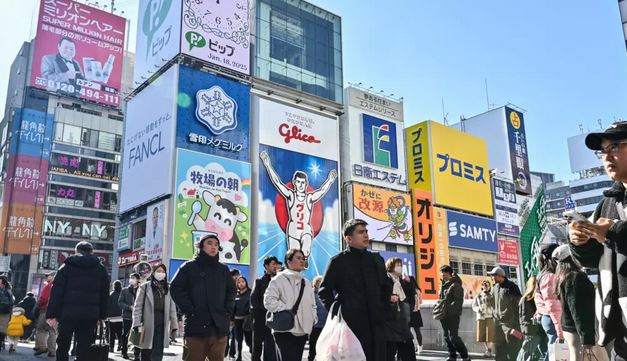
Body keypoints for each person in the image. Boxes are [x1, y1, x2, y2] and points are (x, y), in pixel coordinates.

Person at [568, 122, 627, 360]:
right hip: (621, 324)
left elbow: (612, 235)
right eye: (602, 151)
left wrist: (613, 231)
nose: (606, 157)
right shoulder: (608, 203)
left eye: (614, 146)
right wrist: (579, 241)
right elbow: (593, 258)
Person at [319, 219, 392, 361]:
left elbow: (386, 287)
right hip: (351, 325)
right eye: (361, 232)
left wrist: (384, 309)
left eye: (366, 231)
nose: (366, 235)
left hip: (377, 323)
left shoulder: (376, 259)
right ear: (348, 238)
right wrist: (339, 313)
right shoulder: (338, 261)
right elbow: (324, 291)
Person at [259, 151, 337, 262]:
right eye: (298, 182)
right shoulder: (291, 195)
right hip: (293, 229)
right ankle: (298, 264)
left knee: (305, 250)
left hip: (305, 228)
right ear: (294, 183)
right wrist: (267, 165)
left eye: (303, 183)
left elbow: (321, 191)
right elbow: (277, 182)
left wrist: (330, 180)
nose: (300, 185)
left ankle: (305, 259)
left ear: (306, 184)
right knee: (293, 256)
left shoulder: (309, 197)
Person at [170, 234, 236, 361]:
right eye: (209, 243)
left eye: (216, 244)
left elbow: (232, 290)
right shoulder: (189, 267)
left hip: (219, 327)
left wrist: (228, 309)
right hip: (196, 326)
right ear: (201, 246)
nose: (213, 247)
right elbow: (175, 288)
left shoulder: (223, 269)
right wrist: (189, 309)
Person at [46, 241, 109, 361]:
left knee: (63, 344)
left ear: (76, 251)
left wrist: (51, 315)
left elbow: (56, 293)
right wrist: (102, 316)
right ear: (92, 253)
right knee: (84, 346)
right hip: (90, 314)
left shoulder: (66, 267)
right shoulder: (100, 269)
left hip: (67, 313)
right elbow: (104, 295)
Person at [552, 245, 609, 361]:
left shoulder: (562, 277)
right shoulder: (575, 278)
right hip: (580, 331)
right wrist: (587, 339)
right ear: (572, 257)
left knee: (577, 357)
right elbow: (578, 311)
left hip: (571, 329)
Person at [264, 248, 317, 360]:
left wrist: (313, 318)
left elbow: (313, 304)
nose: (302, 261)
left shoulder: (306, 283)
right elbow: (268, 301)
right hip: (284, 330)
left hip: (302, 331)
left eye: (303, 259)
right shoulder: (278, 279)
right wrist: (287, 310)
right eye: (298, 258)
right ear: (289, 261)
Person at [132, 264, 178, 361]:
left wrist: (174, 325)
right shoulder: (145, 287)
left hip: (162, 324)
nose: (160, 273)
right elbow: (138, 307)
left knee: (158, 352)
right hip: (147, 323)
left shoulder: (168, 288)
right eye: (158, 271)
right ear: (153, 272)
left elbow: (172, 309)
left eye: (163, 271)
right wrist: (136, 323)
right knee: (146, 352)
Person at [433, 265, 470, 361]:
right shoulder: (444, 284)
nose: (443, 277)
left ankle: (465, 356)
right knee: (446, 337)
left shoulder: (456, 285)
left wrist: (449, 309)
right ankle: (452, 355)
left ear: (449, 274)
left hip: (452, 315)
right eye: (442, 275)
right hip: (443, 314)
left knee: (453, 337)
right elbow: (441, 299)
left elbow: (458, 301)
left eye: (444, 275)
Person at [534, 243, 563, 361]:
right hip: (554, 319)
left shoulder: (543, 274)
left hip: (549, 318)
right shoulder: (549, 276)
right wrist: (560, 331)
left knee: (553, 352)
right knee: (557, 352)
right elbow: (553, 306)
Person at [488, 266, 523, 361]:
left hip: (510, 323)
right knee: (498, 348)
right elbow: (492, 303)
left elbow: (518, 305)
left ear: (500, 276)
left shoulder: (512, 287)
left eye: (493, 276)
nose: (492, 278)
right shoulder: (494, 288)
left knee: (512, 348)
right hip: (497, 323)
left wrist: (516, 324)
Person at [384, 258, 416, 361]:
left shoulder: (402, 281)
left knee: (408, 350)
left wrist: (409, 283)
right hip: (390, 321)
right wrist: (389, 297)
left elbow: (410, 298)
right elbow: (379, 295)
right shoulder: (385, 279)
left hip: (403, 320)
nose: (400, 267)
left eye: (400, 265)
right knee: (390, 351)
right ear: (390, 266)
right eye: (397, 264)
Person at [250, 256, 280, 361]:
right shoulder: (259, 281)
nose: (275, 266)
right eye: (273, 264)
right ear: (266, 266)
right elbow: (253, 300)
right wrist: (258, 313)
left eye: (276, 264)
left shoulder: (278, 281)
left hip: (274, 319)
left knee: (271, 346)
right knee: (257, 345)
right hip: (260, 318)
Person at [517, 277, 547, 361]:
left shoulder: (524, 298)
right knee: (528, 353)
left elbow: (521, 316)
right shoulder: (534, 298)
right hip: (534, 330)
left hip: (529, 329)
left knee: (529, 353)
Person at [119, 273, 142, 360]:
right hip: (127, 316)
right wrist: (129, 307)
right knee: (125, 334)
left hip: (138, 317)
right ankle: (124, 351)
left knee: (137, 334)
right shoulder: (125, 290)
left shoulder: (141, 289)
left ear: (138, 280)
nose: (131, 279)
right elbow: (120, 302)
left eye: (134, 278)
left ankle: (137, 354)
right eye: (130, 278)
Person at [34, 272, 56, 356]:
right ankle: (52, 351)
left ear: (53, 276)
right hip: (56, 311)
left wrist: (39, 305)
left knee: (41, 329)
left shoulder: (49, 286)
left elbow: (43, 298)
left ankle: (42, 347)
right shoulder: (61, 285)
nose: (46, 277)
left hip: (45, 309)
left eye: (48, 276)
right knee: (52, 331)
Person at [472, 280, 495, 358]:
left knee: (490, 335)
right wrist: (478, 309)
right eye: (484, 285)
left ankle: (489, 351)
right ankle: (488, 351)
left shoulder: (492, 295)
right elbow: (474, 305)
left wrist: (492, 311)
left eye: (487, 285)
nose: (485, 287)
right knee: (483, 335)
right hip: (481, 317)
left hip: (490, 316)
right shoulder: (478, 295)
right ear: (482, 286)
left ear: (489, 287)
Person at [308, 276, 328, 361]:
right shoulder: (310, 294)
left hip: (326, 326)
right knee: (313, 347)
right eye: (318, 282)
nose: (320, 283)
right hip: (315, 326)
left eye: (321, 282)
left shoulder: (327, 292)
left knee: (325, 347)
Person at [231, 276, 252, 361]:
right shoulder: (236, 294)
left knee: (249, 340)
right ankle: (239, 356)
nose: (241, 283)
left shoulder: (251, 293)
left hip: (247, 321)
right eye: (239, 282)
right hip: (237, 321)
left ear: (246, 282)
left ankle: (253, 353)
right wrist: (231, 319)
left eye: (243, 281)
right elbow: (233, 308)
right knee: (238, 340)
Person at [226, 269, 241, 359]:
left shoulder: (240, 288)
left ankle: (232, 353)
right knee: (226, 335)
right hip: (227, 315)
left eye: (237, 275)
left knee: (235, 335)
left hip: (237, 316)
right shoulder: (226, 286)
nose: (236, 277)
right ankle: (225, 351)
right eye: (235, 275)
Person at [107, 280, 124, 353]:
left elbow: (108, 305)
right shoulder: (122, 293)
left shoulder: (111, 294)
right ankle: (120, 344)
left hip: (112, 317)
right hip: (120, 316)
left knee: (112, 333)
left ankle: (111, 347)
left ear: (114, 286)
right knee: (120, 332)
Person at [0, 275, 15, 352]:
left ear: (4, 283)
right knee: (2, 329)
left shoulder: (6, 291)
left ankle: (2, 342)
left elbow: (11, 302)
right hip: (5, 312)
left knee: (2, 330)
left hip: (4, 313)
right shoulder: (9, 291)